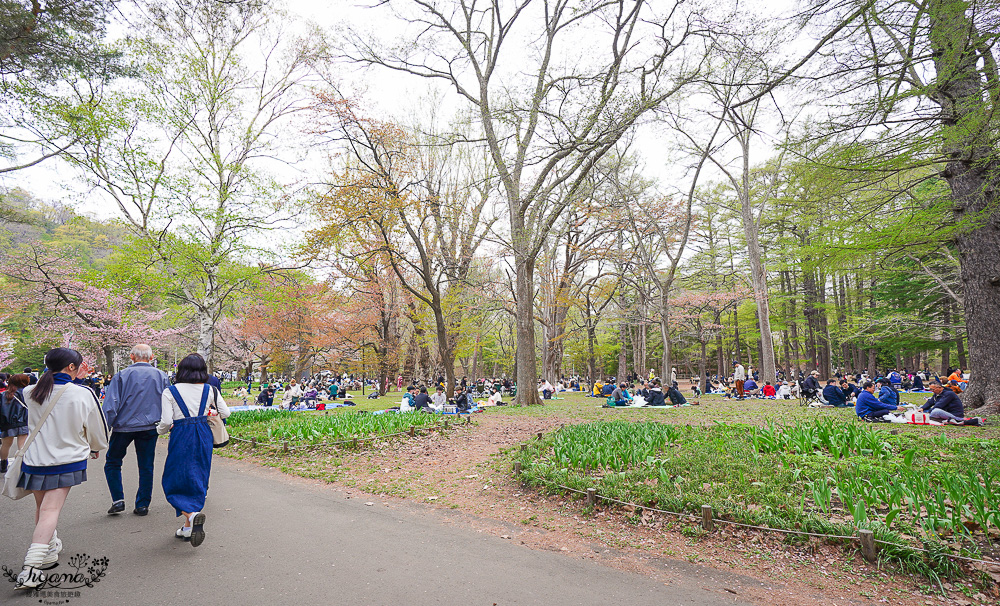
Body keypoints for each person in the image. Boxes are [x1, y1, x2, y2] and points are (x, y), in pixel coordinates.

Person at [14, 348, 109, 590]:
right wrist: (95, 447)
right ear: (70, 367)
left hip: (35, 459)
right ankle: (31, 569)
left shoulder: (29, 391)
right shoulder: (82, 393)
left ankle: (48, 550)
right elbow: (96, 426)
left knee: (43, 508)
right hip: (65, 460)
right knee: (49, 511)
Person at [158, 353, 229, 547]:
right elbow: (225, 413)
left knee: (174, 478)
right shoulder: (210, 389)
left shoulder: (170, 391)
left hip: (181, 433)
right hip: (203, 433)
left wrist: (160, 431)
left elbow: (165, 421)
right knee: (198, 474)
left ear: (181, 370)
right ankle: (188, 528)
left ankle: (191, 514)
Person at [102, 344, 170, 517]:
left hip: (123, 427)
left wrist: (105, 429)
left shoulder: (121, 375)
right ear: (151, 356)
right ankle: (142, 504)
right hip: (150, 427)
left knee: (113, 461)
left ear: (132, 357)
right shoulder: (161, 376)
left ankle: (118, 499)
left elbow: (110, 406)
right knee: (146, 465)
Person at [1, 373, 31, 473]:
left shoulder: (4, 395)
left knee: (6, 444)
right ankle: (21, 466)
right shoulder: (27, 393)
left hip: (7, 423)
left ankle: (3, 465)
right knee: (22, 446)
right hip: (23, 422)